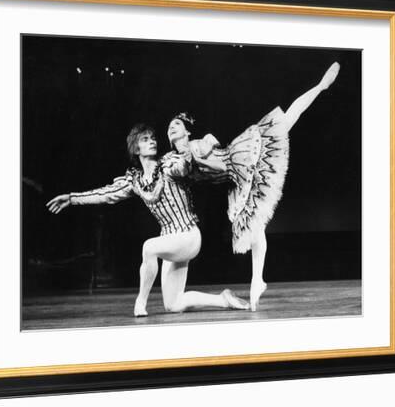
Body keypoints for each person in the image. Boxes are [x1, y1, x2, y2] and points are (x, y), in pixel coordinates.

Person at [166, 61, 341, 311]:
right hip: (235, 182)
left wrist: (200, 152)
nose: (172, 127)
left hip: (239, 158)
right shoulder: (176, 160)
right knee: (254, 225)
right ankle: (257, 278)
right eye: (169, 127)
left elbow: (213, 147)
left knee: (287, 120)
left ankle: (321, 86)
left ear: (185, 131)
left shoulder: (195, 145)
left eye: (176, 124)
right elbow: (184, 173)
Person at [46, 123, 249, 317]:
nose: (152, 141)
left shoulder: (168, 164)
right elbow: (106, 194)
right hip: (170, 243)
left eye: (153, 138)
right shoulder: (135, 181)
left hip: (188, 236)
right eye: (145, 139)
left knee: (148, 247)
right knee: (173, 304)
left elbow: (182, 167)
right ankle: (224, 300)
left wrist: (187, 157)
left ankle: (140, 302)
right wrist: (72, 198)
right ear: (136, 149)